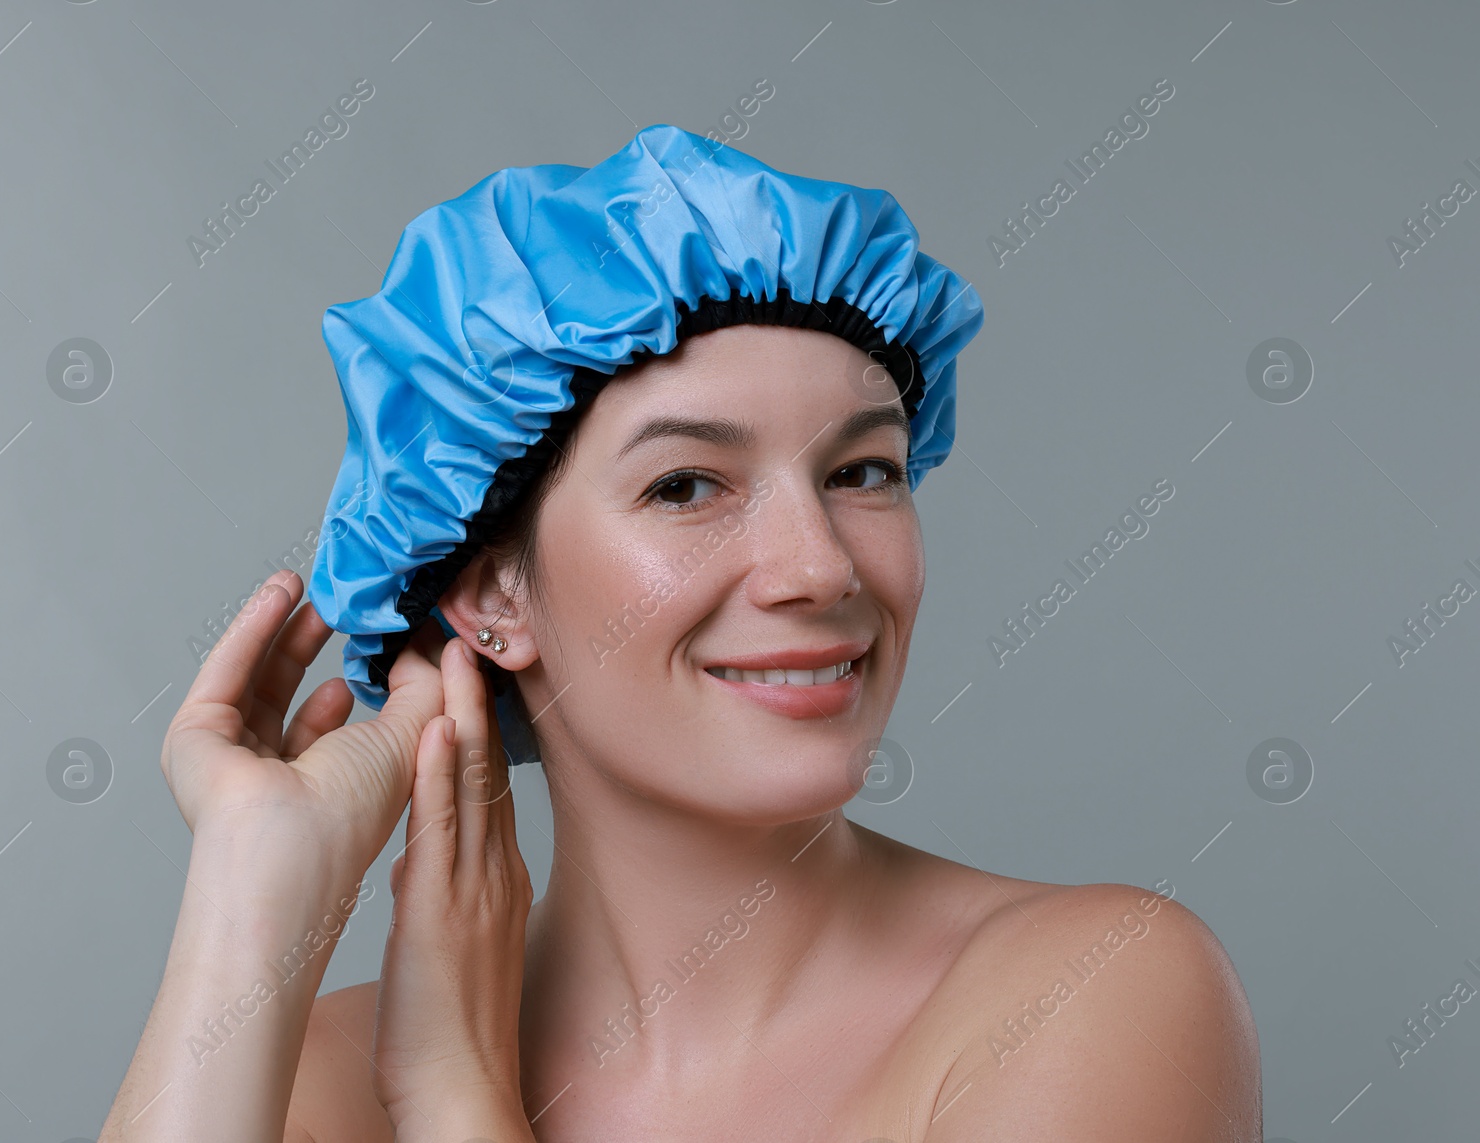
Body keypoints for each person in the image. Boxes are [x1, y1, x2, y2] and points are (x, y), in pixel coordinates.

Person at [99, 126, 1261, 1142]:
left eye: (861, 471)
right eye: (687, 488)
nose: (820, 567)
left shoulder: (1090, 991)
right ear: (490, 594)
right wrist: (256, 886)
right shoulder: (305, 1088)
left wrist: (458, 1103)